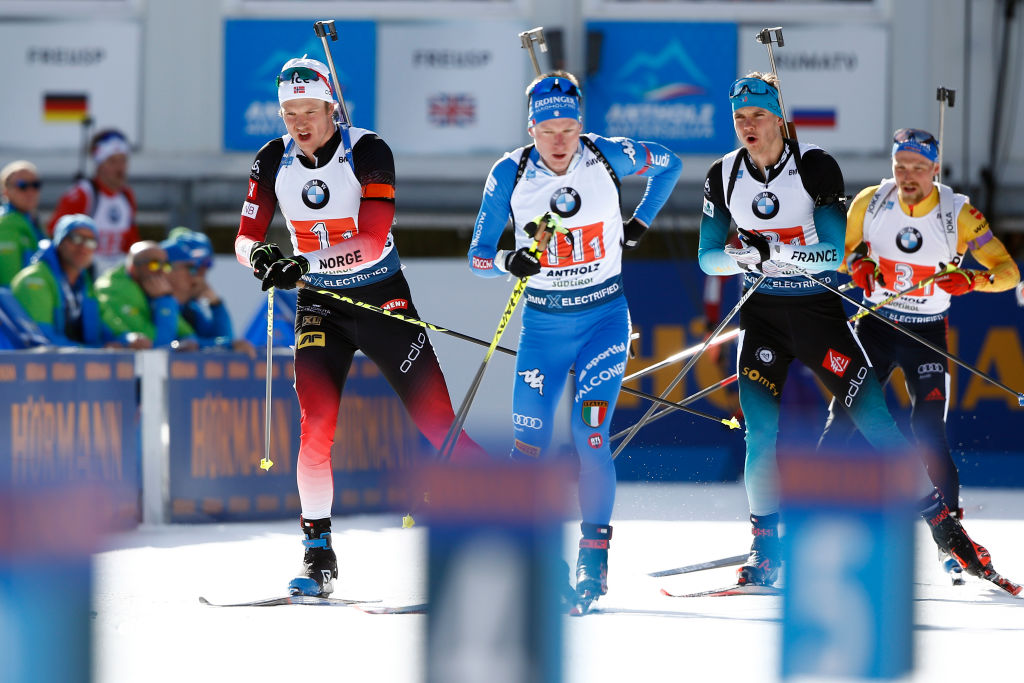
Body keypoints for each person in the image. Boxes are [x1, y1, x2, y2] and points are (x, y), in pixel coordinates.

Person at [697, 72, 1001, 589]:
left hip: (818, 316)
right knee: (760, 437)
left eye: (758, 116)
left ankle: (946, 532)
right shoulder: (723, 175)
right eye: (739, 118)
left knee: (879, 427)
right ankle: (766, 546)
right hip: (763, 320)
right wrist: (738, 256)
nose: (748, 126)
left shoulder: (814, 166)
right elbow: (707, 258)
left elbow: (835, 254)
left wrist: (777, 253)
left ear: (779, 117)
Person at [234, 57, 489, 597]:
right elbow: (244, 235)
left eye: (309, 110)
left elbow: (372, 239)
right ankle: (316, 555)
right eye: (289, 112)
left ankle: (512, 524)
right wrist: (261, 258)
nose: (300, 122)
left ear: (331, 106)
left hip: (381, 298)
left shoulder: (367, 150)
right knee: (315, 428)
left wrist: (302, 262)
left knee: (438, 423)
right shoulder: (271, 159)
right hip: (319, 306)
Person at [468, 71, 682, 610]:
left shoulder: (608, 156)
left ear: (581, 125)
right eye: (547, 128)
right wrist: (506, 261)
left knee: (589, 438)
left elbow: (670, 164)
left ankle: (593, 558)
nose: (559, 140)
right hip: (543, 330)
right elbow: (477, 256)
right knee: (528, 450)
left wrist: (641, 221)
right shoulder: (510, 172)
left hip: (604, 322)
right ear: (532, 127)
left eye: (568, 127)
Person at [819, 128, 1020, 573]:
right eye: (899, 166)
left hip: (926, 333)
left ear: (935, 168)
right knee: (844, 415)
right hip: (876, 325)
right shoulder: (871, 201)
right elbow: (839, 251)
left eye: (917, 167)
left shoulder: (958, 213)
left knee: (928, 431)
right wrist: (858, 263)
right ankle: (812, 518)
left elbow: (1008, 272)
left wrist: (972, 280)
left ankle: (952, 541)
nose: (907, 176)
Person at [10, 214, 116, 347]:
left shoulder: (85, 283)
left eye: (91, 241)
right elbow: (41, 341)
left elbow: (104, 329)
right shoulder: (34, 280)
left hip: (72, 363)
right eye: (76, 238)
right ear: (59, 241)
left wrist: (126, 340)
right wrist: (94, 351)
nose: (83, 247)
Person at [48, 129, 139, 272]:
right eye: (112, 161)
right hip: (87, 276)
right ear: (99, 164)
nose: (120, 168)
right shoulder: (82, 194)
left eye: (123, 160)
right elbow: (56, 234)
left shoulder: (127, 196)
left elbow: (131, 242)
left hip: (116, 278)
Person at [162, 227, 256, 357]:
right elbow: (170, 346)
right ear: (167, 269)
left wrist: (216, 305)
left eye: (207, 265)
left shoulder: (191, 309)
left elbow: (222, 344)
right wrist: (226, 345)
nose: (200, 274)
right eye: (191, 267)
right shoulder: (158, 303)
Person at [96, 240, 196, 350]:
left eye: (166, 265)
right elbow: (158, 344)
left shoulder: (151, 289)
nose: (162, 272)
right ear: (133, 268)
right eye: (155, 264)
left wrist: (216, 306)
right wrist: (164, 301)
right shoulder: (112, 290)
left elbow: (190, 336)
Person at [0, 160, 47, 286]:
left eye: (35, 185)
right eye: (22, 185)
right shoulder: (5, 226)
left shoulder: (33, 221)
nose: (30, 191)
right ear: (5, 191)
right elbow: (8, 285)